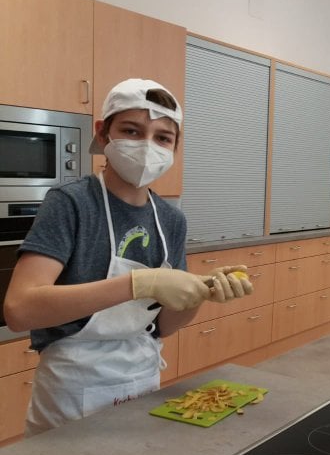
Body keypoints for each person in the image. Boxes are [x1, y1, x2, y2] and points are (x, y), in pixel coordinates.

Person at [3, 78, 253, 435]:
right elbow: (19, 310)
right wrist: (140, 283)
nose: (147, 146)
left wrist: (200, 293)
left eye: (163, 138)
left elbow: (166, 326)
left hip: (142, 376)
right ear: (103, 133)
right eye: (132, 131)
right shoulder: (71, 203)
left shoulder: (170, 219)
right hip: (72, 386)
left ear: (175, 147)